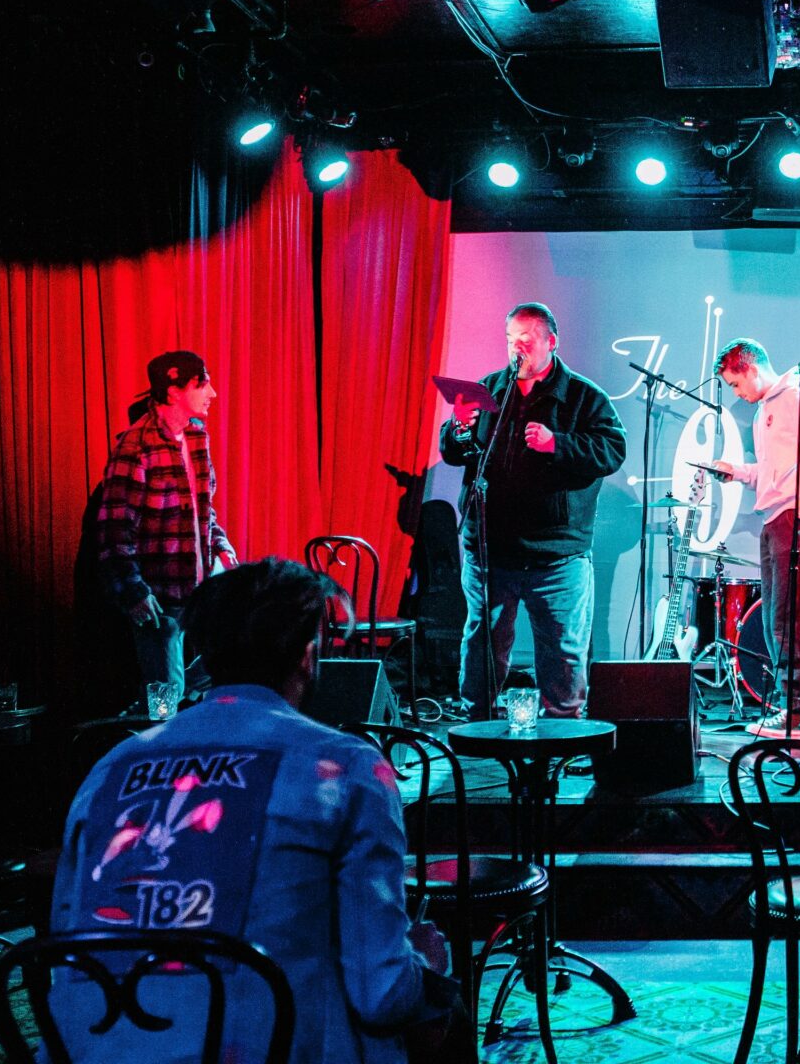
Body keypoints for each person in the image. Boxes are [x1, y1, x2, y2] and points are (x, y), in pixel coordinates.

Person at [47, 559, 462, 1062]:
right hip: (265, 1051)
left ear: (205, 652)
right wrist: (428, 962)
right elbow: (382, 995)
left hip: (91, 1051)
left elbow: (65, 951)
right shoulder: (343, 768)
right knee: (438, 1006)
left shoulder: (112, 766)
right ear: (308, 655)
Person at [440, 302, 625, 719]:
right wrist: (460, 426)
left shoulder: (583, 397)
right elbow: (454, 451)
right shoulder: (490, 390)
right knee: (482, 642)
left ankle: (564, 731)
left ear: (550, 342)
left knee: (563, 650)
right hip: (491, 550)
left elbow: (613, 450)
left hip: (556, 555)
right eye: (511, 340)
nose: (516, 349)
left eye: (525, 340)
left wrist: (557, 443)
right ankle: (478, 726)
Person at [711, 338, 800, 738]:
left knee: (789, 620)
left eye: (736, 384)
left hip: (796, 518)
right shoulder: (767, 410)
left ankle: (796, 713)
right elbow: (777, 472)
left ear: (751, 369)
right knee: (780, 619)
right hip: (777, 517)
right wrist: (738, 471)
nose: (737, 393)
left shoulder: (792, 396)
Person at [97, 350, 237, 700]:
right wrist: (133, 590)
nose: (212, 393)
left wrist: (220, 546)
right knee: (166, 696)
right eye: (201, 384)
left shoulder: (196, 436)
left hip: (200, 589)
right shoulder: (136, 445)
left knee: (230, 661)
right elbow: (114, 528)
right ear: (174, 391)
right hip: (160, 594)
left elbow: (202, 510)